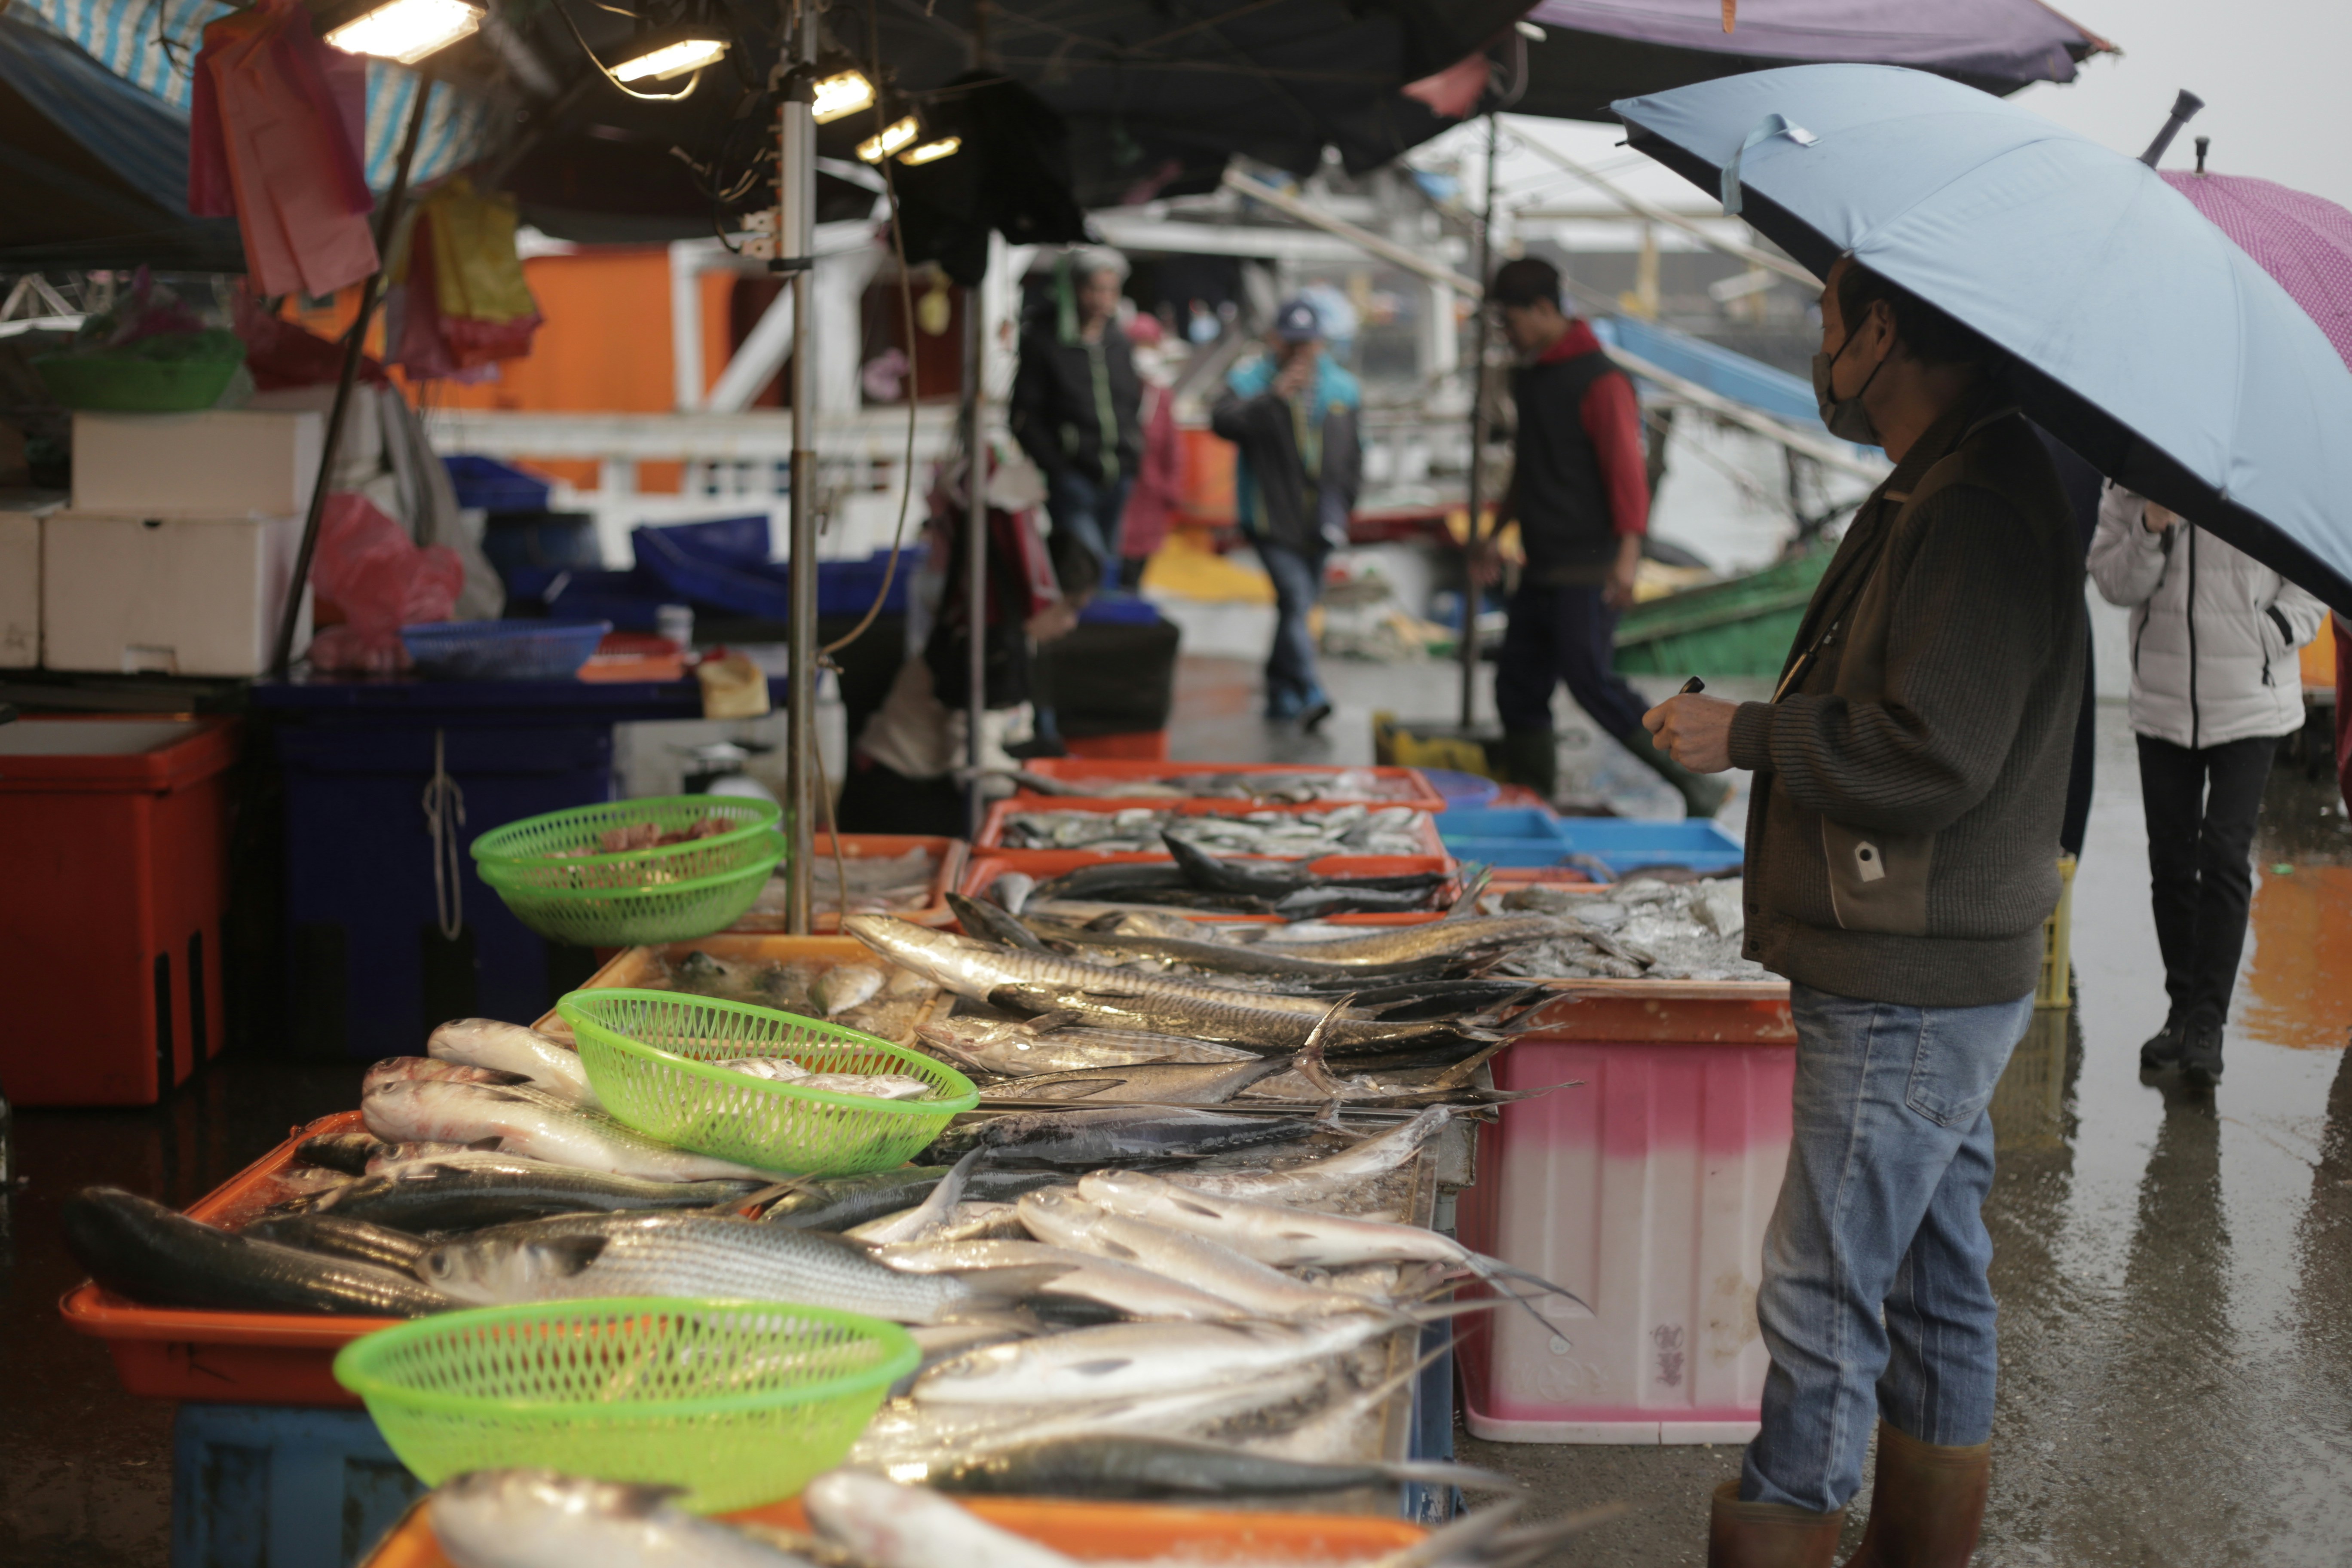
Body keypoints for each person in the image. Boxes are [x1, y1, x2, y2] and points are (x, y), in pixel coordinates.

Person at [1644, 256, 2086, 1567]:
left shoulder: (1978, 503)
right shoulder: (1943, 481)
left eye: (1827, 319)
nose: (1818, 344)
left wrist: (1747, 734)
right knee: (1932, 1279)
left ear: (1882, 332)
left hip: (1910, 979)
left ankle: (1787, 1521)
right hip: (1924, 968)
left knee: (1821, 1287)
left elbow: (1936, 755)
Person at [2089, 485, 2323, 1087]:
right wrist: (2150, 525)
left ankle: (2207, 1025)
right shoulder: (2135, 477)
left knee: (2223, 856)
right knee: (2171, 861)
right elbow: (2112, 582)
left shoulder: (2269, 474)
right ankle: (2181, 1009)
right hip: (2162, 700)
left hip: (2251, 702)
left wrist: (2267, 633)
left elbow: (2315, 575)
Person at [1478, 257, 1725, 817]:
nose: (1506, 334)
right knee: (1517, 682)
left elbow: (1626, 473)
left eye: (1510, 320)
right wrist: (1495, 533)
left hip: (1589, 565)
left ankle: (1693, 779)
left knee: (1591, 681)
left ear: (1544, 309)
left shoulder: (1602, 379)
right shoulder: (1530, 377)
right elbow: (1526, 466)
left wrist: (1628, 556)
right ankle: (1532, 799)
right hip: (1541, 562)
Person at [1212, 297, 1360, 729]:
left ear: (1320, 343)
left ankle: (1280, 690)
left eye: (1307, 343)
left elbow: (1355, 453)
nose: (1299, 353)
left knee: (1296, 606)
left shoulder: (1342, 387)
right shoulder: (1250, 382)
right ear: (1275, 341)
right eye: (1291, 343)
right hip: (1269, 517)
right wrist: (1274, 398)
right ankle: (1311, 689)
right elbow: (1223, 423)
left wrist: (1346, 505)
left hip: (1322, 519)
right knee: (1296, 599)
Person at [1009, 249, 1143, 577]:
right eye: (1094, 289)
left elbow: (1131, 403)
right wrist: (1058, 468)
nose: (1102, 299)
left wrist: (1132, 453)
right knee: (1085, 568)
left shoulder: (1118, 343)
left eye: (1111, 290)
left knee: (1108, 566)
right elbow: (1024, 416)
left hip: (1118, 475)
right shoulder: (1046, 342)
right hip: (1073, 478)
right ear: (1076, 290)